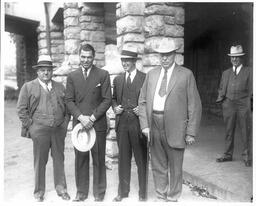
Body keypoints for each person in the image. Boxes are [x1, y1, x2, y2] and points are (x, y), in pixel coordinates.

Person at [138, 38, 202, 202]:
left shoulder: (186, 75)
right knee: (158, 164)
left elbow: (194, 105)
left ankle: (173, 198)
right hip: (154, 124)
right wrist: (145, 126)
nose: (164, 58)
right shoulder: (152, 74)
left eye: (168, 55)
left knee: (175, 166)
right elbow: (142, 100)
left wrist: (191, 132)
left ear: (174, 54)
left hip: (175, 127)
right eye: (162, 55)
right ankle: (161, 195)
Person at [17, 55, 71, 202]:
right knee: (40, 161)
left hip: (58, 130)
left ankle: (62, 189)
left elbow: (68, 108)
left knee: (59, 159)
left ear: (52, 71)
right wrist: (32, 128)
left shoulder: (60, 86)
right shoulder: (28, 87)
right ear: (37, 72)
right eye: (42, 70)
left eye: (48, 70)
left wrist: (65, 125)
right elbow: (21, 110)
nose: (46, 73)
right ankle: (39, 192)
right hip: (39, 131)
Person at [65, 43, 112, 202]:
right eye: (83, 57)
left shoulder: (103, 74)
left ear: (94, 58)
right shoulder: (72, 76)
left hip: (97, 124)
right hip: (80, 125)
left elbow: (107, 100)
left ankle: (99, 193)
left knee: (99, 159)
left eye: (89, 57)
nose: (86, 60)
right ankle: (81, 193)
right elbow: (69, 101)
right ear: (79, 57)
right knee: (81, 158)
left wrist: (92, 118)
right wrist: (81, 117)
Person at [112, 48, 147, 202]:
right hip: (122, 125)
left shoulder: (145, 78)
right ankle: (123, 192)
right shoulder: (118, 80)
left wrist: (143, 109)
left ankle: (143, 193)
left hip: (138, 125)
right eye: (123, 60)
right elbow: (113, 99)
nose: (125, 63)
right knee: (123, 160)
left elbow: (149, 99)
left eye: (128, 60)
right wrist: (115, 107)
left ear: (134, 61)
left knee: (141, 160)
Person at [216, 44, 252, 167]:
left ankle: (247, 156)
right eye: (232, 57)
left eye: (237, 57)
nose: (235, 59)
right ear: (230, 58)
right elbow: (221, 87)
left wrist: (249, 103)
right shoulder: (225, 73)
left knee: (245, 131)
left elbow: (252, 90)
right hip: (229, 104)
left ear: (242, 58)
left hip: (243, 104)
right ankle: (227, 155)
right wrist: (223, 100)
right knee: (229, 130)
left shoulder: (249, 71)